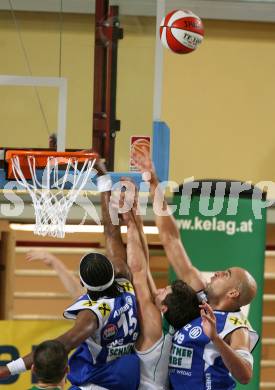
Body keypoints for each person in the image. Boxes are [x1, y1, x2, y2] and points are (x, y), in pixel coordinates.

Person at [132, 148, 259, 389]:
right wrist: (152, 181)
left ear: (233, 293)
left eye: (227, 274)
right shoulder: (199, 298)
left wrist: (215, 339)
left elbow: (245, 375)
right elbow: (171, 240)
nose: (219, 272)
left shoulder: (236, 327)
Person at [121, 193, 200, 390]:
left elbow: (137, 273)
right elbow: (145, 269)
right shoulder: (170, 324)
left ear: (164, 308)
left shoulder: (155, 325)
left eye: (165, 291)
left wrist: (129, 225)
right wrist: (136, 219)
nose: (161, 288)